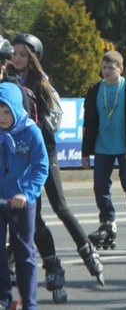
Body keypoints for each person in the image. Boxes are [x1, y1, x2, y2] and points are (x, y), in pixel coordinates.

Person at [8, 34, 104, 288]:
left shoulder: (39, 83)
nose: (16, 58)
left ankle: (87, 249)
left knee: (60, 206)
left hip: (44, 151)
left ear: (33, 58)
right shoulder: (10, 80)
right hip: (20, 155)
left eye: (22, 54)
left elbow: (52, 121)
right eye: (14, 53)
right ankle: (51, 264)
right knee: (33, 214)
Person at [81, 50, 126, 250]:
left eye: (111, 68)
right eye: (104, 68)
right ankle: (107, 223)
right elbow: (87, 123)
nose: (107, 72)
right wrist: (85, 152)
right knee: (100, 187)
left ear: (120, 69)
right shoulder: (95, 90)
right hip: (102, 147)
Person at [0, 83, 49, 310]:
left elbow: (41, 167)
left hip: (21, 201)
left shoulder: (31, 132)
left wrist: (27, 194)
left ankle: (30, 303)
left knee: (24, 254)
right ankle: (4, 299)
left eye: (7, 111)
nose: (2, 117)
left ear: (17, 108)